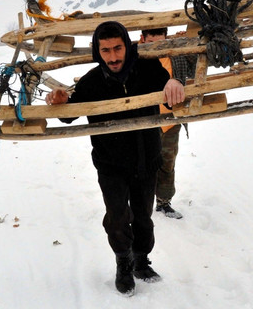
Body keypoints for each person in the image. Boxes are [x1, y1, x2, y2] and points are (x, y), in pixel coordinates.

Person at [45, 21, 185, 295]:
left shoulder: (148, 68)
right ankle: (123, 261)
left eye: (118, 48)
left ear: (127, 45)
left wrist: (174, 82)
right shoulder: (91, 82)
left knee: (144, 216)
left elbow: (169, 93)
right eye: (106, 50)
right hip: (110, 165)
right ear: (98, 52)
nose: (113, 56)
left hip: (147, 159)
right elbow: (70, 113)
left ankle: (141, 259)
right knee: (118, 217)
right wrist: (60, 101)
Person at [140, 28, 197, 220]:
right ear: (143, 39)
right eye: (151, 41)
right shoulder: (136, 57)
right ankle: (140, 202)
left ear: (167, 38)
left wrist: (190, 41)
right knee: (142, 162)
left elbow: (195, 64)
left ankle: (164, 202)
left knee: (167, 162)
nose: (157, 45)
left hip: (171, 120)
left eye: (161, 40)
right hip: (145, 121)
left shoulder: (176, 54)